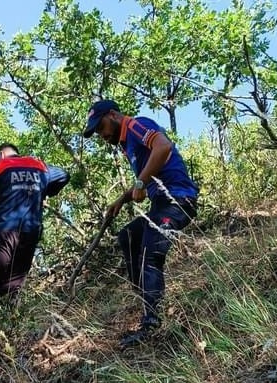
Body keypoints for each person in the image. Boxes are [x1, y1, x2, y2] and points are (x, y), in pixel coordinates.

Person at [81, 99, 200, 349]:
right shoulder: (127, 145)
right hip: (161, 205)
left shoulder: (136, 126)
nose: (101, 135)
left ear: (113, 115)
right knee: (128, 237)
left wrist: (140, 183)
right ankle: (149, 303)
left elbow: (163, 147)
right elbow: (146, 174)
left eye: (101, 126)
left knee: (150, 254)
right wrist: (121, 200)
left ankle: (152, 324)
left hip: (179, 199)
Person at [0, 143, 69, 300]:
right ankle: (11, 319)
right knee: (14, 285)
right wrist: (43, 191)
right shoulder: (39, 166)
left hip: (5, 230)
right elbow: (64, 175)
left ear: (0, 155)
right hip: (31, 232)